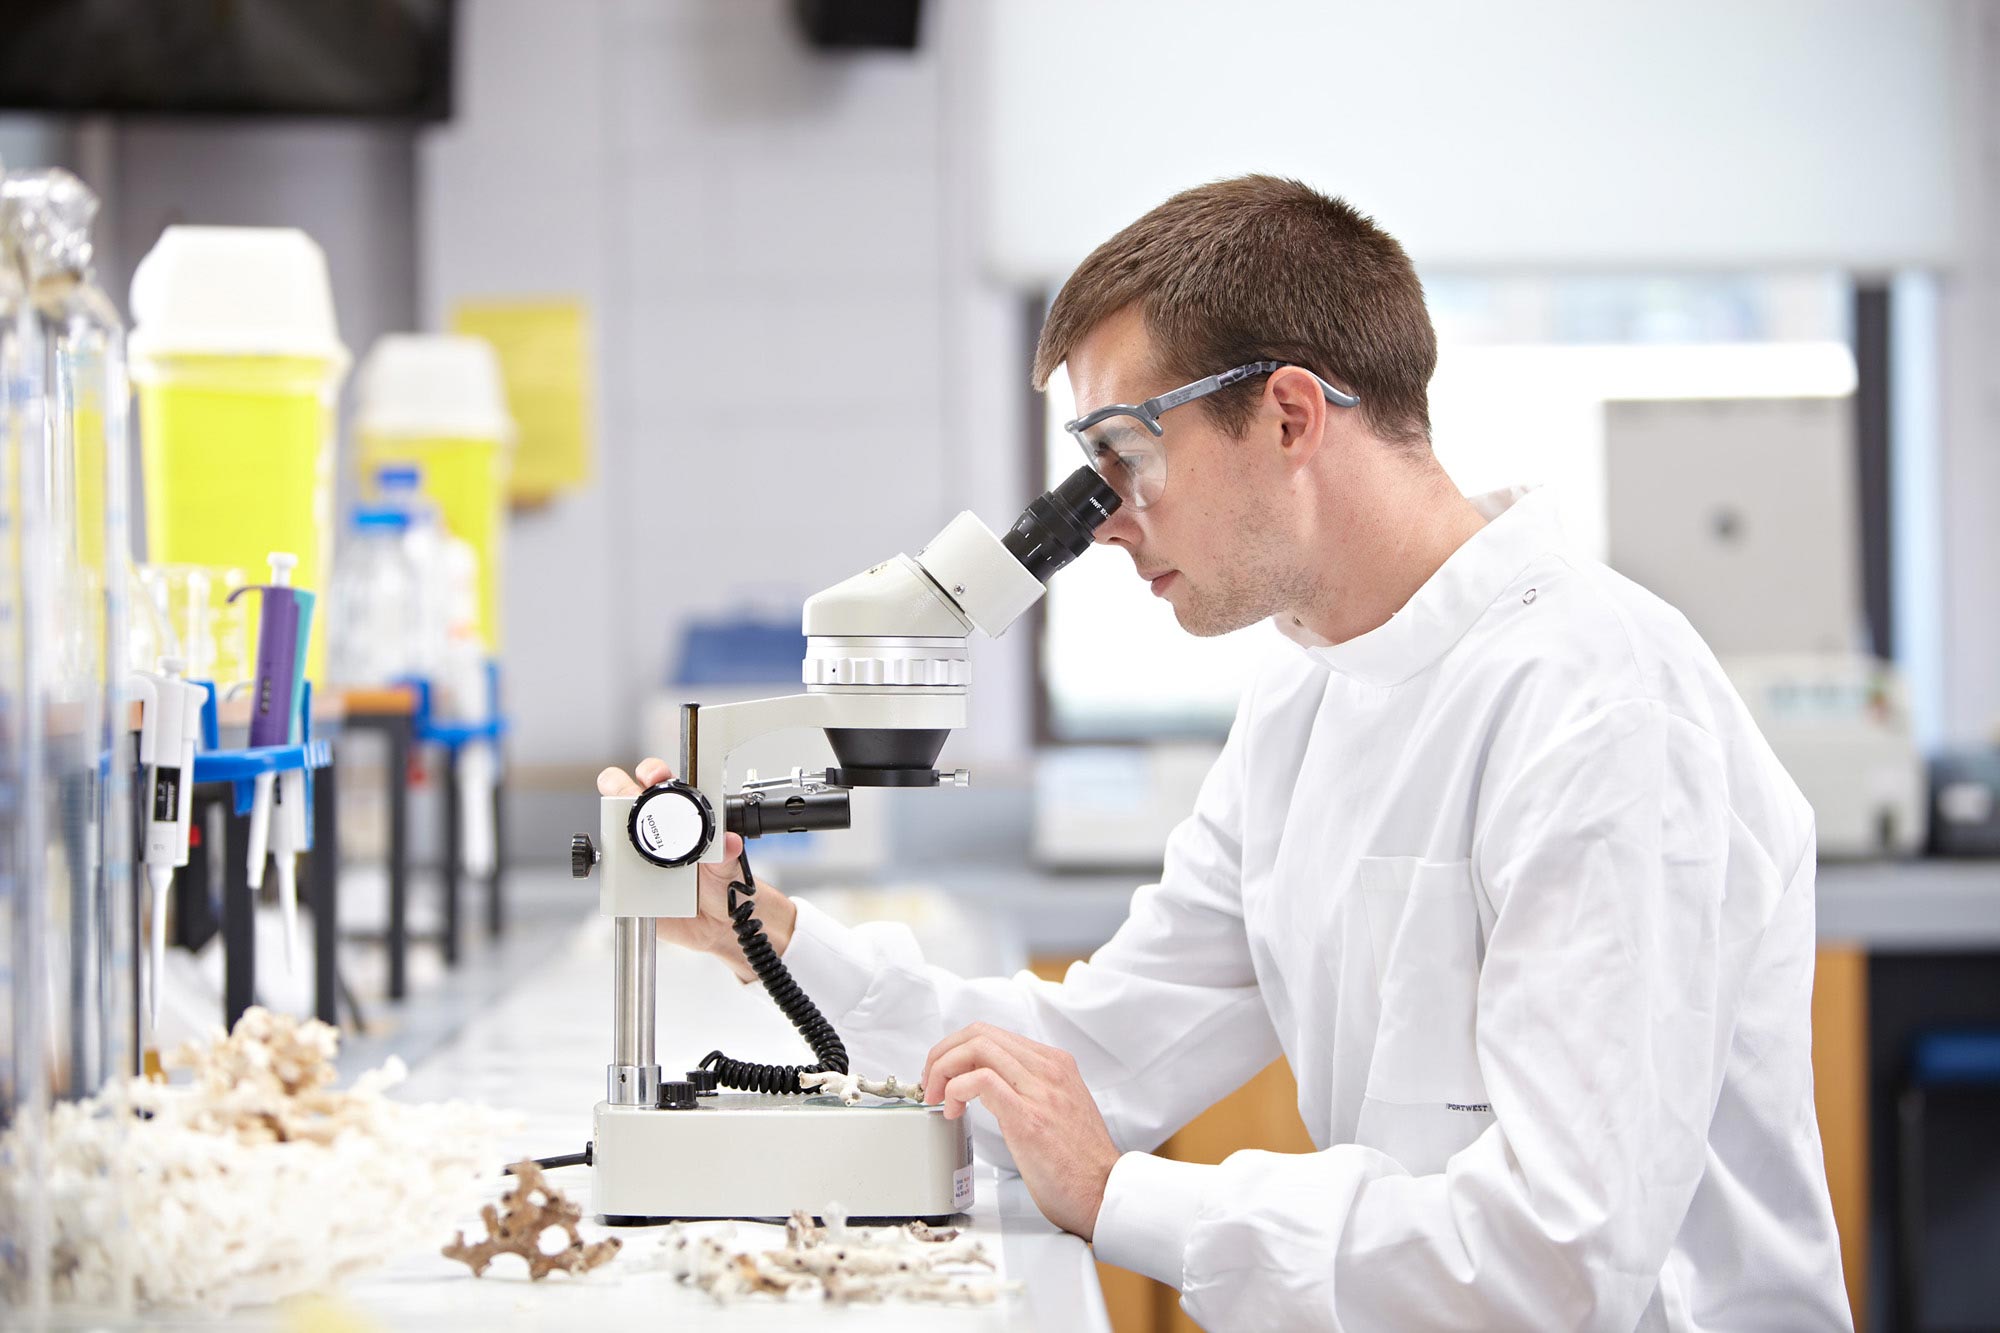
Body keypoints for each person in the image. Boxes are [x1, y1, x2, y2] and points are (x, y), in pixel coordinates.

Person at [599, 175, 1850, 1331]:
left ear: (1291, 413)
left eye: (1126, 459)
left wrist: (1123, 1196)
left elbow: (1557, 1253)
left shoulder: (1600, 708)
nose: (1100, 527)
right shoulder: (1307, 701)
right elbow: (1102, 1056)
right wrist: (764, 931)